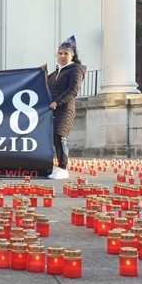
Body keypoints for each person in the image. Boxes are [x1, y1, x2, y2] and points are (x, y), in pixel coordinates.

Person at [46, 36, 85, 180]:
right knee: (51, 137)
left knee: (60, 135)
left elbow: (73, 89)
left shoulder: (76, 69)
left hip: (64, 109)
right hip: (51, 110)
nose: (62, 56)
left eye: (66, 54)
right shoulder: (56, 73)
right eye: (60, 53)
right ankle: (49, 166)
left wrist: (58, 102)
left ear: (72, 55)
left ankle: (63, 167)